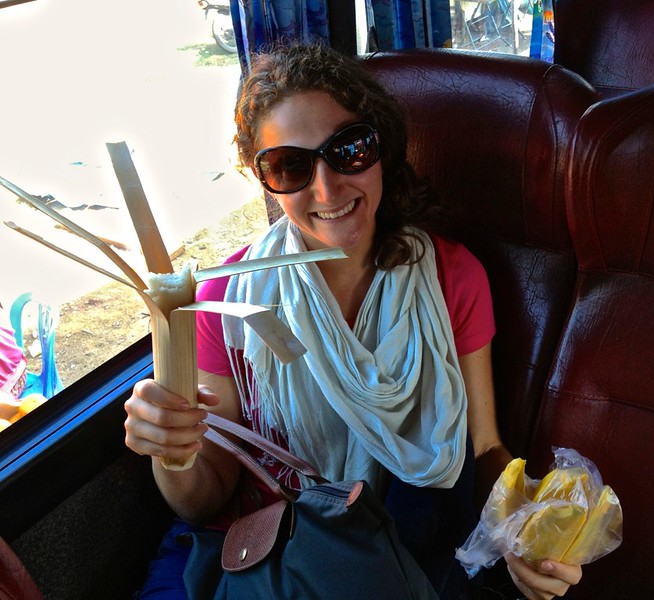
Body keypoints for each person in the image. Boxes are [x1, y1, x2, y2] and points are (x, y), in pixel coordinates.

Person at [124, 42, 582, 600]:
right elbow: (206, 499)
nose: (326, 189)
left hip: (387, 539)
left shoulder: (452, 278)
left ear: (381, 147)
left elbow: (484, 448)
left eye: (349, 149)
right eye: (290, 165)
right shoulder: (225, 298)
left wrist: (520, 527)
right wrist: (172, 453)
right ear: (263, 178)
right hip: (261, 546)